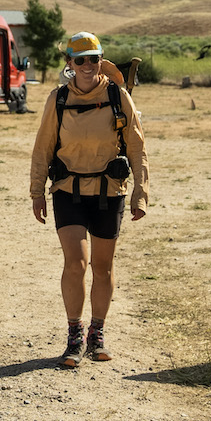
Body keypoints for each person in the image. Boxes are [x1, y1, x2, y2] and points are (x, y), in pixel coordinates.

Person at [29, 32, 149, 368]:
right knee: (76, 263)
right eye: (79, 59)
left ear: (100, 60)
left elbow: (137, 147)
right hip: (68, 191)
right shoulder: (58, 99)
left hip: (109, 192)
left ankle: (97, 333)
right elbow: (42, 147)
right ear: (68, 62)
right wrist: (36, 191)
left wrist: (141, 191)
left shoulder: (117, 96)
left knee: (103, 266)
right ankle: (74, 335)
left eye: (92, 58)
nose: (86, 65)